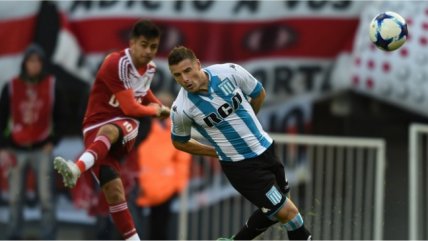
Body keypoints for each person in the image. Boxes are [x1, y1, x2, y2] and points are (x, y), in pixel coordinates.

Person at [167, 46, 312, 240]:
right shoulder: (182, 108)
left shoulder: (229, 72)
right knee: (290, 214)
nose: (184, 79)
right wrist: (214, 152)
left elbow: (258, 93)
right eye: (177, 75)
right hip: (241, 167)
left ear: (198, 65)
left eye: (187, 70)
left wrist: (249, 126)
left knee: (275, 209)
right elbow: (180, 142)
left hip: (267, 149)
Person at [53, 19, 170, 240]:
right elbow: (129, 106)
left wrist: (159, 108)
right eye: (144, 45)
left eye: (153, 47)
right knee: (113, 194)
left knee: (112, 130)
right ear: (132, 43)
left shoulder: (149, 69)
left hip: (125, 135)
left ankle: (76, 168)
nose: (148, 52)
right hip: (97, 136)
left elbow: (143, 98)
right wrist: (158, 111)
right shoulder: (115, 64)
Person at [0, 43, 64, 240]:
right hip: (16, 148)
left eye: (37, 61)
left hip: (42, 148)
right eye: (31, 61)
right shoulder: (11, 86)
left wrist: (53, 141)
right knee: (15, 197)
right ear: (24, 63)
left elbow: (62, 116)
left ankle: (48, 235)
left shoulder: (52, 85)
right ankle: (13, 234)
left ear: (42, 64)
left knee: (46, 197)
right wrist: (2, 146)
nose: (34, 65)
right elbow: (1, 118)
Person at [134, 91, 191, 240]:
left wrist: (178, 185)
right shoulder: (142, 126)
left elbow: (182, 159)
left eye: (166, 105)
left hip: (165, 187)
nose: (162, 108)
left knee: (159, 230)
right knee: (132, 228)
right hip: (138, 184)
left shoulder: (176, 128)